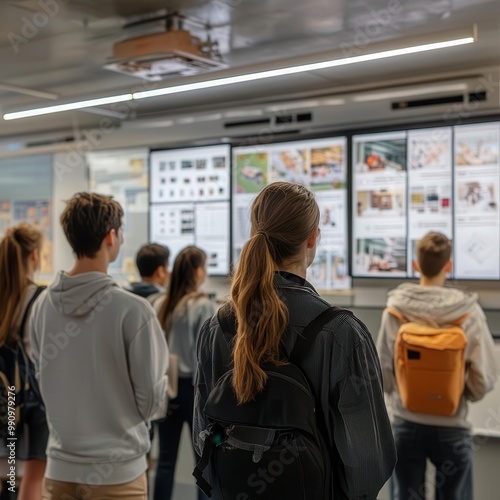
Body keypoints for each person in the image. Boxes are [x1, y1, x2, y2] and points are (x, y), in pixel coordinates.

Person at [193, 182, 396, 499]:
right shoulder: (342, 333)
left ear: (254, 232)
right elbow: (368, 463)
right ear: (313, 237)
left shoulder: (216, 328)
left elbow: (203, 436)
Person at [29, 192, 169, 499]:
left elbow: (42, 383)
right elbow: (150, 403)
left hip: (59, 472)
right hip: (118, 477)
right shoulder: (134, 310)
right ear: (111, 236)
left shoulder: (42, 307)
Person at [377, 231, 497, 500]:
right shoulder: (469, 312)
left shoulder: (394, 311)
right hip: (453, 427)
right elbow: (483, 381)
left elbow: (382, 375)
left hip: (405, 426)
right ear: (449, 265)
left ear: (416, 265)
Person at [154, 246, 215, 500]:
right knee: (203, 462)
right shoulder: (203, 305)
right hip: (195, 389)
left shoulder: (162, 304)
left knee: (165, 459)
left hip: (168, 388)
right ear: (199, 271)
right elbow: (206, 355)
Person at [0, 223, 47, 500]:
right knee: (32, 476)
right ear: (33, 256)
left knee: (5, 471)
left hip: (4, 400)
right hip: (29, 401)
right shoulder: (40, 299)